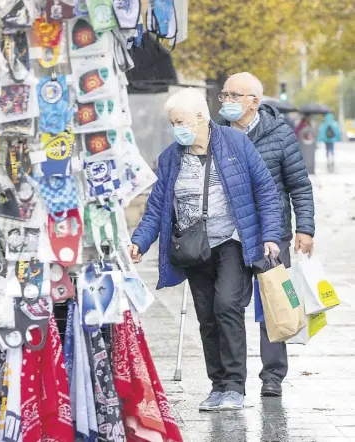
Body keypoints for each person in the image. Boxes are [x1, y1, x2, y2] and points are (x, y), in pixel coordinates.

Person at [130, 87, 282, 411]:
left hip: (230, 241)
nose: (177, 128)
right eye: (173, 123)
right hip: (192, 247)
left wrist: (271, 235)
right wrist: (139, 242)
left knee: (227, 305)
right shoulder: (171, 157)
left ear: (201, 117)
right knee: (207, 317)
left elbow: (266, 190)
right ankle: (218, 386)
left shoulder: (235, 144)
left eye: (181, 121)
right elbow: (157, 206)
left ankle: (235, 386)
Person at [219, 72, 315, 397]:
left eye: (235, 96)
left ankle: (272, 375)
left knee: (273, 304)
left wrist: (306, 228)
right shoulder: (216, 135)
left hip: (273, 234)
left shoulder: (279, 134)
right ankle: (231, 380)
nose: (228, 102)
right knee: (228, 303)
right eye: (225, 95)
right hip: (229, 235)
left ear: (254, 102)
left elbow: (299, 185)